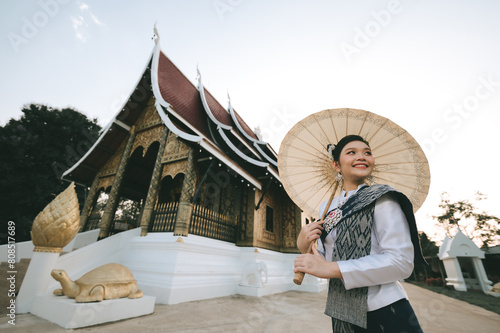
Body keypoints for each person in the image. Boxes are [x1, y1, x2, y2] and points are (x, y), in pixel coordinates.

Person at [294, 134, 424, 333]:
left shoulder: (382, 199)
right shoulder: (326, 208)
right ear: (336, 165)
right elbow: (324, 257)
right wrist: (303, 244)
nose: (362, 156)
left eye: (367, 153)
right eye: (351, 152)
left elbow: (401, 262)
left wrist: (333, 269)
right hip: (341, 310)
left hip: (384, 309)